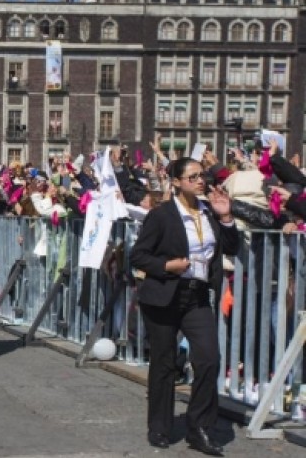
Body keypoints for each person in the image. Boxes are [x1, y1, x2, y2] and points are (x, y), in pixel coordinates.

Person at [130, 157, 239, 456]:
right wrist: (167, 265)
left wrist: (227, 217)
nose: (200, 181)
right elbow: (138, 256)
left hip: (198, 296)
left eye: (201, 175)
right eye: (192, 177)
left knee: (208, 360)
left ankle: (200, 428)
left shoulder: (210, 211)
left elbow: (232, 247)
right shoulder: (162, 215)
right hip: (165, 295)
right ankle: (160, 427)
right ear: (176, 182)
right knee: (164, 364)